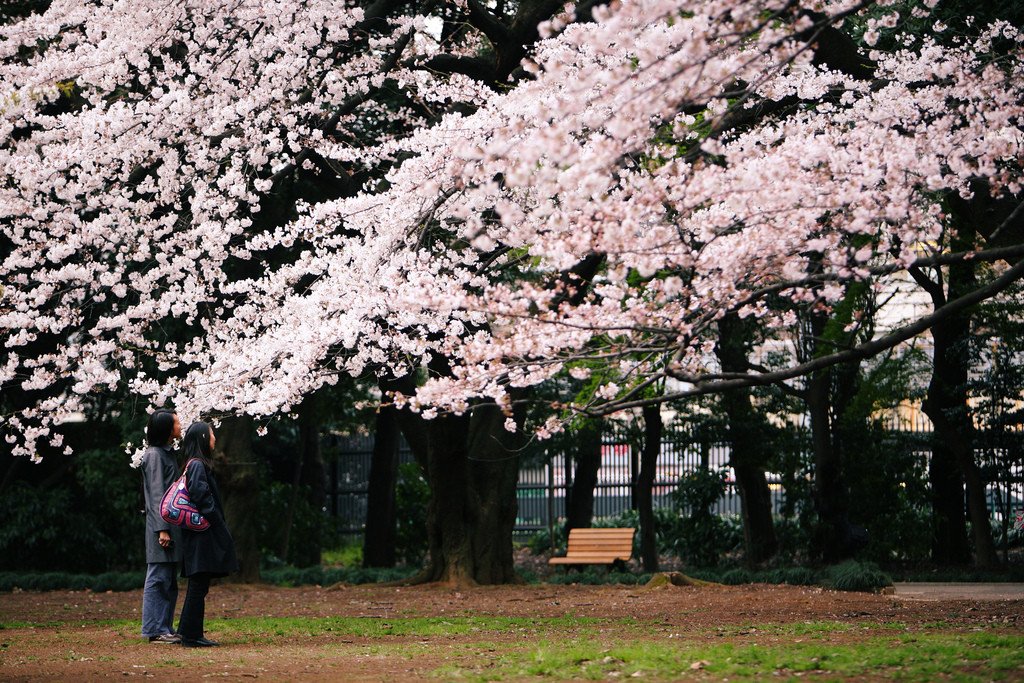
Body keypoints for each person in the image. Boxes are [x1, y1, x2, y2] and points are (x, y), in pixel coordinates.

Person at [176, 421, 239, 647]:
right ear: (203, 438)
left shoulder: (194, 464)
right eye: (211, 434)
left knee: (198, 583)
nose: (214, 438)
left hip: (197, 532)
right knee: (198, 583)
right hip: (202, 533)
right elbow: (201, 496)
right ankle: (192, 636)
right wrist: (215, 520)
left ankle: (187, 632)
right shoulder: (197, 465)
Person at [140, 409, 183, 644]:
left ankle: (164, 626)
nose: (180, 425)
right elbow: (156, 495)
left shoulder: (166, 453)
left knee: (168, 579)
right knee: (158, 577)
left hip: (169, 526)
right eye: (176, 423)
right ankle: (154, 629)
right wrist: (162, 529)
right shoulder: (155, 455)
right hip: (162, 528)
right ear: (167, 429)